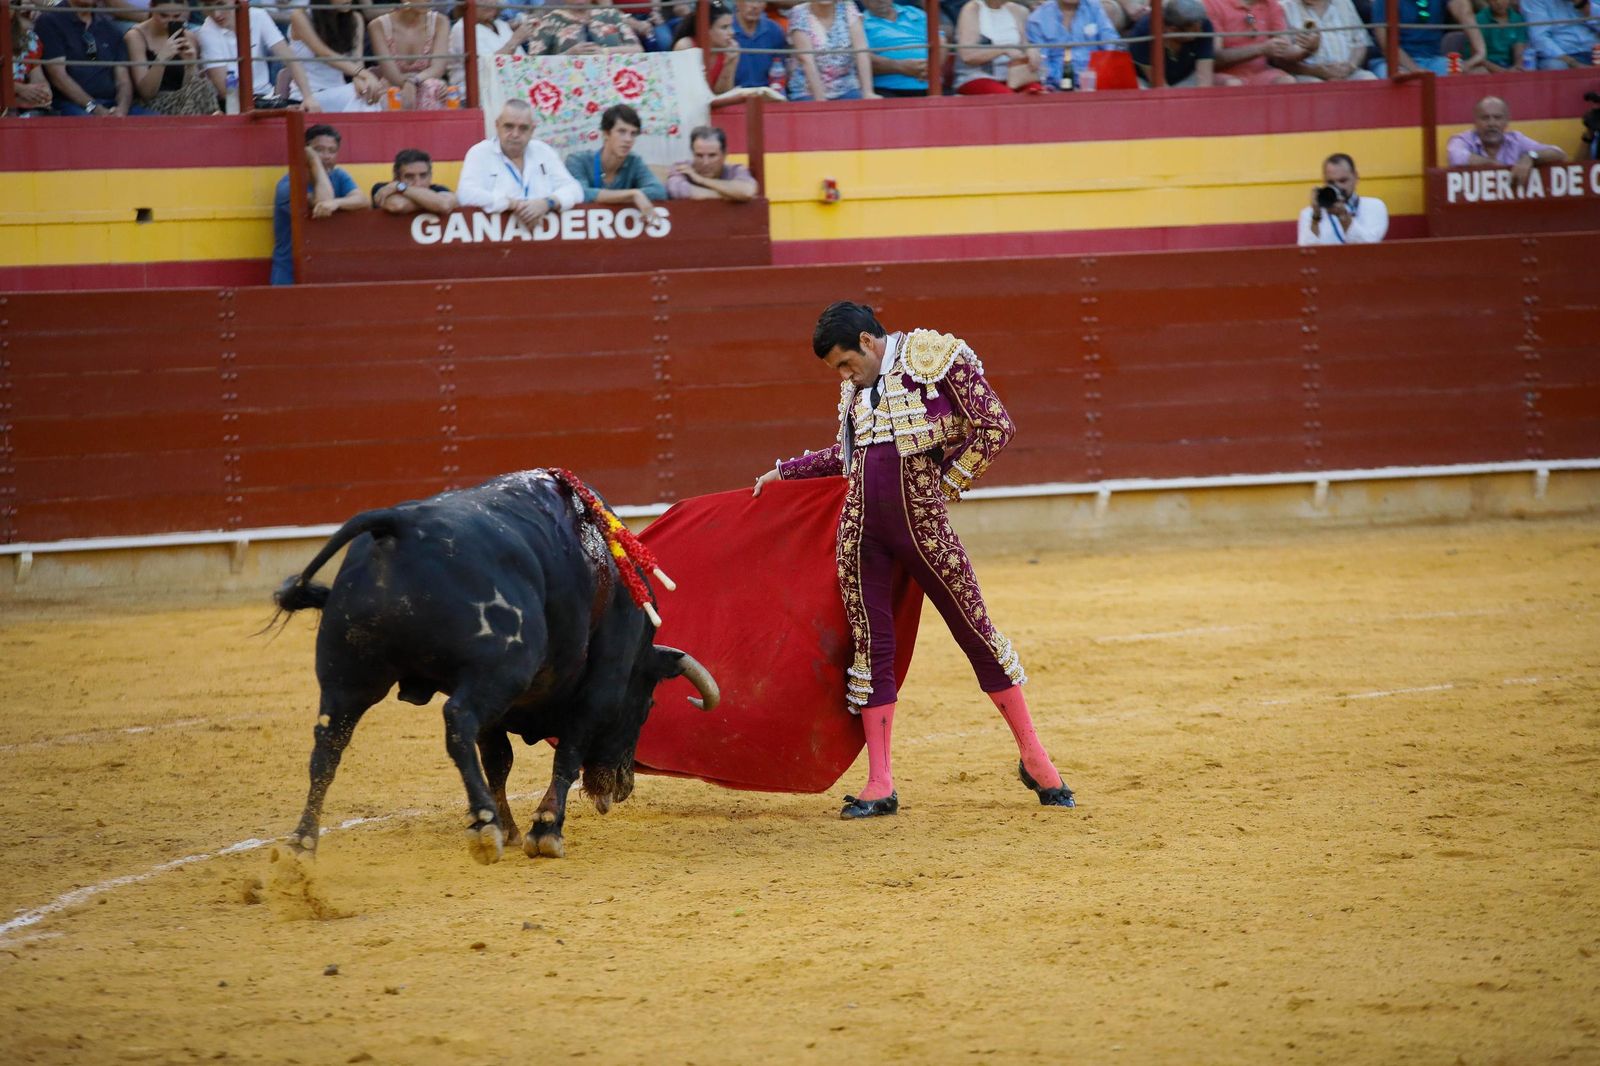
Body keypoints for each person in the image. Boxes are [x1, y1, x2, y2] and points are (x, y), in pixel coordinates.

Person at [752, 302, 1076, 819]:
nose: (843, 375)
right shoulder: (856, 387)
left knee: (975, 629)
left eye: (844, 363)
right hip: (861, 531)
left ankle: (1036, 758)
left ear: (867, 339)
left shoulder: (936, 357)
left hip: (923, 525)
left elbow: (994, 425)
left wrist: (943, 484)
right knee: (871, 646)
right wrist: (788, 472)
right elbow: (850, 454)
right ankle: (880, 782)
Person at [457, 99, 584, 223]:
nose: (515, 134)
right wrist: (512, 204)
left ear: (532, 130)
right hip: (496, 240)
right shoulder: (480, 153)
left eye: (523, 128)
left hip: (544, 238)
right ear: (497, 125)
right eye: (509, 126)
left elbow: (575, 190)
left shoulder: (543, 151)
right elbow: (465, 194)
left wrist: (547, 203)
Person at [272, 124, 366, 286]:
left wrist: (337, 203)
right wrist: (314, 161)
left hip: (327, 274)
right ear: (304, 151)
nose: (327, 156)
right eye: (319, 150)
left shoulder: (339, 175)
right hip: (290, 275)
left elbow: (362, 200)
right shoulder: (288, 186)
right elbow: (323, 201)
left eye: (332, 151)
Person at [197, 2, 320, 110]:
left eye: (220, 4)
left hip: (266, 98)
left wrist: (308, 97)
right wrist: (274, 108)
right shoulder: (206, 32)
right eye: (208, 6)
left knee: (307, 109)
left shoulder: (258, 16)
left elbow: (290, 58)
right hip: (233, 105)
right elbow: (226, 92)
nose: (216, 14)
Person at [36, 0, 148, 116]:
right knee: (94, 129)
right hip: (71, 105)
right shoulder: (49, 21)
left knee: (156, 123)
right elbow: (58, 77)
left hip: (112, 105)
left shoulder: (109, 28)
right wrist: (95, 108)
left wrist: (122, 109)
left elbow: (123, 80)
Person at [564, 104, 668, 217]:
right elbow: (579, 193)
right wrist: (632, 195)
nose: (628, 139)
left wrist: (634, 195)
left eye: (633, 134)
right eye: (622, 132)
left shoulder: (634, 161)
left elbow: (659, 191)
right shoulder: (577, 160)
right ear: (606, 134)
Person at [1446, 96, 1568, 188]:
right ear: (1475, 122)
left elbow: (1558, 153)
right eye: (1485, 118)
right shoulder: (1462, 139)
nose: (1491, 124)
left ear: (1506, 121)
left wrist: (1530, 157)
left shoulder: (1516, 139)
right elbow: (1456, 156)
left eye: (1497, 118)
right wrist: (1495, 166)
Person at [284, 0, 384, 112]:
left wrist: (361, 80)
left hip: (339, 92)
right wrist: (366, 74)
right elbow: (324, 53)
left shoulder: (356, 19)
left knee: (365, 93)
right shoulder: (300, 16)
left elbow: (357, 61)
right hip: (308, 96)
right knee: (357, 96)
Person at [124, 0, 217, 114]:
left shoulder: (189, 37)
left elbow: (190, 88)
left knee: (203, 87)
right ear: (151, 9)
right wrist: (162, 59)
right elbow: (146, 94)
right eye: (164, 15)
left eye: (176, 16)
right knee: (201, 91)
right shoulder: (136, 36)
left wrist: (190, 65)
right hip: (153, 103)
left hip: (184, 101)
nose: (170, 21)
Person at [787, 0, 879, 100]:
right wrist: (820, 100)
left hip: (846, 87)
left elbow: (861, 52)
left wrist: (868, 92)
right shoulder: (799, 12)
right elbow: (807, 60)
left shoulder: (848, 7)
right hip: (808, 91)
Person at [1203, 0, 1308, 84]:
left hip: (1260, 73)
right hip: (1223, 75)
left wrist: (1307, 48)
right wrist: (1261, 49)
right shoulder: (1212, 3)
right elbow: (1214, 57)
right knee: (1234, 84)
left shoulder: (1271, 4)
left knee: (1287, 82)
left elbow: (1285, 49)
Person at [369, 0, 449, 109]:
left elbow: (437, 68)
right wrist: (406, 86)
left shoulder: (441, 22)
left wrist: (413, 81)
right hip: (393, 85)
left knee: (432, 88)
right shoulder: (377, 26)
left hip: (425, 81)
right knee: (394, 94)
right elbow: (391, 74)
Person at [1369, 0, 1483, 76]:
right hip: (1393, 63)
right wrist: (1416, 71)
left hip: (1434, 61)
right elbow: (1386, 46)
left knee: (1476, 72)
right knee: (1397, 78)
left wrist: (1480, 53)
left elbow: (1464, 12)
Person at [1296, 152, 1388, 245]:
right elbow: (1306, 251)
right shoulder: (1309, 213)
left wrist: (1343, 216)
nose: (1337, 186)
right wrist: (1315, 218)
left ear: (1356, 177)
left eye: (1343, 180)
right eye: (1331, 182)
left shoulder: (1374, 206)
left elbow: (1367, 245)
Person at [1026, 0, 1121, 90]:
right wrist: (1068, 81)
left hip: (1096, 82)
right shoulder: (1037, 19)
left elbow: (1111, 45)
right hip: (1056, 88)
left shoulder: (1094, 8)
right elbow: (1043, 64)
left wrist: (1098, 74)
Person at [952, 0, 1042, 93]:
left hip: (1015, 76)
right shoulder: (973, 8)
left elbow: (1024, 45)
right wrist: (1003, 49)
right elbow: (967, 56)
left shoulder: (1019, 10)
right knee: (1007, 98)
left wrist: (1031, 50)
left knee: (1038, 93)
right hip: (977, 75)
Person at [1278, 0, 1378, 80]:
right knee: (1314, 86)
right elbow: (1280, 59)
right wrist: (1314, 71)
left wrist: (1350, 66)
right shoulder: (1285, 7)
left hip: (1348, 72)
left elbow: (1361, 43)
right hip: (1308, 75)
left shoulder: (1343, 3)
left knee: (1369, 79)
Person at [1127, 0, 1217, 86]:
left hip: (1187, 79)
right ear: (1172, 30)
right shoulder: (1143, 32)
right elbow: (1159, 84)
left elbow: (1204, 79)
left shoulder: (1203, 24)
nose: (1200, 32)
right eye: (1195, 31)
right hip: (1148, 83)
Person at [449, 0, 533, 87]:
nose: (489, 2)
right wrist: (516, 39)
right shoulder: (461, 28)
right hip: (480, 94)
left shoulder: (501, 25)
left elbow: (523, 64)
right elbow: (486, 69)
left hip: (512, 89)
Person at [859, 0, 932, 97]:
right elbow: (861, 57)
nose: (880, 1)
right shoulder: (860, 21)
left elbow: (940, 41)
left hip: (932, 87)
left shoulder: (916, 13)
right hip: (887, 90)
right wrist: (900, 66)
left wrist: (931, 67)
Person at [667, 125, 759, 200]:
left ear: (725, 154)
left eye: (712, 155)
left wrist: (701, 180)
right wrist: (731, 196)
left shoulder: (735, 170)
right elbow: (676, 190)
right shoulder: (683, 168)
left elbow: (747, 191)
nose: (705, 162)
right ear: (692, 153)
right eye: (699, 155)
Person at [527, 0, 644, 56]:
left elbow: (638, 49)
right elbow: (534, 64)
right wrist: (569, 54)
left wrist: (605, 51)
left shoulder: (611, 14)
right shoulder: (548, 22)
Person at [671, 1, 739, 92]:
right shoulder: (685, 46)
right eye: (724, 27)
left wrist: (729, 65)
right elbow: (686, 91)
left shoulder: (730, 50)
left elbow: (723, 94)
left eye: (731, 26)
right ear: (705, 29)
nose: (732, 32)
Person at [372, 148, 459, 215]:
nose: (418, 183)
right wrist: (432, 204)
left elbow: (444, 205)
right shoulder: (382, 188)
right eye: (409, 177)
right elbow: (398, 205)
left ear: (430, 176)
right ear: (396, 178)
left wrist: (400, 187)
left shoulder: (439, 189)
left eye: (423, 176)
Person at [1519, 0, 1598, 68]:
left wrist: (1582, 4)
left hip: (1594, 50)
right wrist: (1572, 63)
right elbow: (1539, 38)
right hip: (1562, 55)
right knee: (1555, 66)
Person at [731, 0, 789, 92]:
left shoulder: (774, 29)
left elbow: (779, 70)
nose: (755, 6)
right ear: (737, 2)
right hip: (734, 93)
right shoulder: (727, 30)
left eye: (760, 1)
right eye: (750, 1)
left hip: (767, 93)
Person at [9, 3, 54, 115]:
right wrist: (19, 89)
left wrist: (42, 93)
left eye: (13, 2)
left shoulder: (28, 38)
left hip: (20, 107)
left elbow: (37, 76)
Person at [1474, 0, 1529, 72]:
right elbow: (1478, 57)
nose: (1499, 2)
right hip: (1487, 67)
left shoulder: (1517, 19)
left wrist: (1517, 66)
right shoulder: (1479, 19)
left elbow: (1519, 50)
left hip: (1509, 66)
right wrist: (1503, 72)